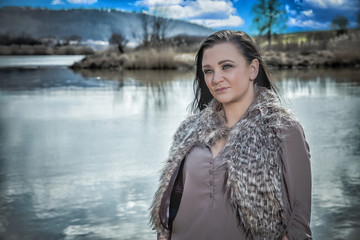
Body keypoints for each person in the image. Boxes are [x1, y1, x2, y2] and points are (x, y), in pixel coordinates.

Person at [150, 30, 312, 240]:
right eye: (208, 71)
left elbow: (298, 221)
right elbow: (170, 201)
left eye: (226, 66)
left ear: (252, 69)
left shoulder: (282, 129)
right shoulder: (188, 129)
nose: (216, 78)